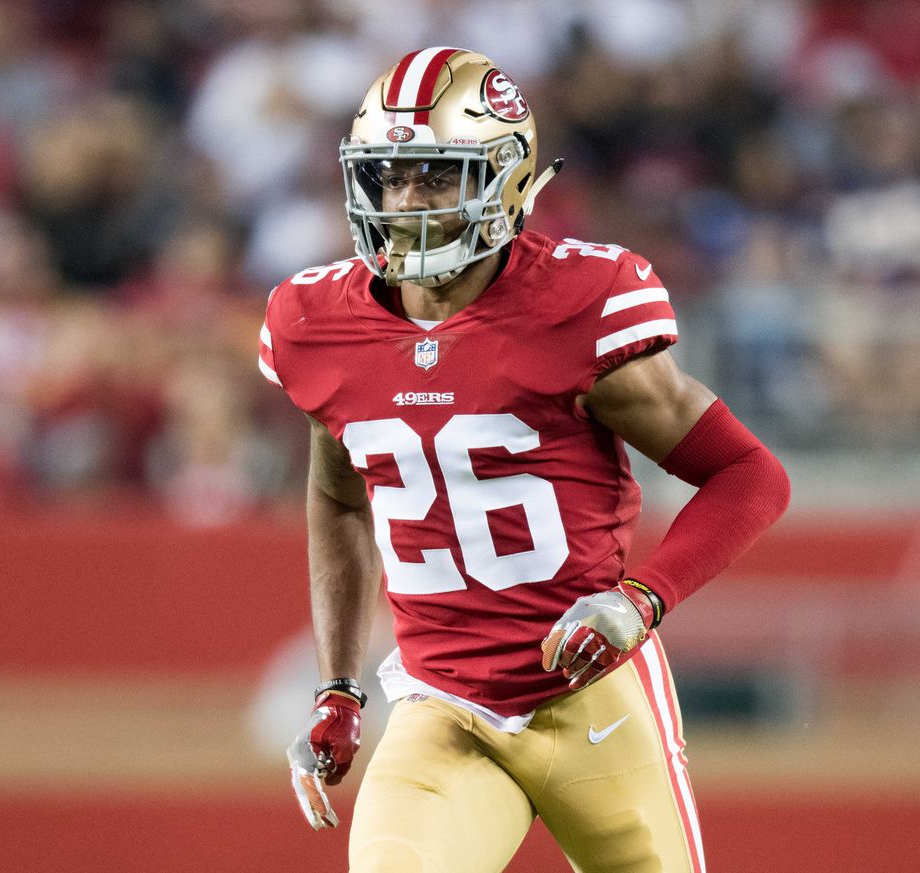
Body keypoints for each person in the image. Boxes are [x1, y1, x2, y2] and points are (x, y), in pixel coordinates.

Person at [262, 47, 790, 873]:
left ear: (506, 178)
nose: (407, 201)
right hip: (440, 705)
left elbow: (750, 475)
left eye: (436, 175)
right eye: (390, 176)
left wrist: (643, 598)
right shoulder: (319, 325)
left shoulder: (575, 306)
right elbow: (338, 498)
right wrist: (339, 686)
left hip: (593, 702)